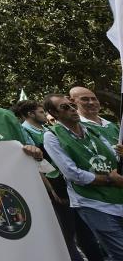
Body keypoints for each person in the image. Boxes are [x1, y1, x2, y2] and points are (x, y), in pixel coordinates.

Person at [13, 99, 103, 261]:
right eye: (41, 112)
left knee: (84, 230)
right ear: (30, 114)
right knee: (67, 233)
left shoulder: (48, 129)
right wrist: (52, 188)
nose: (45, 115)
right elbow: (37, 164)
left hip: (70, 185)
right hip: (54, 188)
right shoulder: (25, 132)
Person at [44, 94, 123, 259]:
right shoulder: (52, 136)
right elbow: (72, 173)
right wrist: (110, 179)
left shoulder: (92, 130)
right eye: (65, 107)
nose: (72, 109)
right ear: (54, 113)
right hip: (93, 203)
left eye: (72, 105)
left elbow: (113, 157)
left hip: (117, 196)